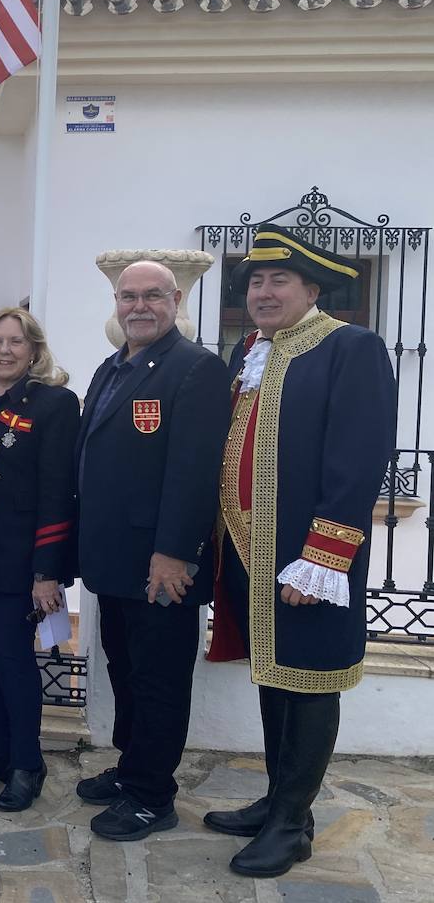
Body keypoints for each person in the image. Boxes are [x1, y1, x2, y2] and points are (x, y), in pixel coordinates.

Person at [202, 229, 395, 878]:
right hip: (245, 549)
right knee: (274, 676)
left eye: (278, 280)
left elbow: (359, 456)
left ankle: (292, 826)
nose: (263, 291)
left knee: (309, 684)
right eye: (255, 281)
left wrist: (326, 555)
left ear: (313, 289)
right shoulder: (248, 350)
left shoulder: (350, 347)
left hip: (305, 560)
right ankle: (280, 799)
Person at [75, 260, 231, 841]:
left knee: (160, 679)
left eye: (152, 296)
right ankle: (131, 766)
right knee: (125, 669)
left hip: (159, 564)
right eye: (127, 296)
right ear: (116, 302)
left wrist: (173, 553)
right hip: (113, 560)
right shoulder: (111, 367)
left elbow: (194, 473)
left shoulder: (196, 369)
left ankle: (152, 796)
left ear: (175, 302)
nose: (139, 306)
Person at [0, 308, 78, 812]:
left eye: (16, 342)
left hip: (23, 561)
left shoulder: (54, 403)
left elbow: (59, 492)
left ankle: (28, 762)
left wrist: (46, 570)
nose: (5, 351)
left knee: (14, 660)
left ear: (34, 350)